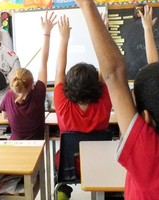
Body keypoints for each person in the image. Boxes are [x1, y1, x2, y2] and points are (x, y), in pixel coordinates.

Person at [68, 0, 159, 199]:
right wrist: (147, 30)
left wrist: (86, 1)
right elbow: (149, 77)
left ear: (145, 118)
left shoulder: (148, 156)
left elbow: (115, 73)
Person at [53, 13, 112, 199]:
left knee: (59, 153)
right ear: (97, 84)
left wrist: (64, 38)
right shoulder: (104, 99)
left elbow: (58, 70)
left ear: (68, 85)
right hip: (100, 164)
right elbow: (106, 66)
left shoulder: (63, 103)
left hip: (69, 167)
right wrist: (102, 31)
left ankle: (62, 185)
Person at [0, 11, 57, 140]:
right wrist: (46, 33)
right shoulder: (38, 95)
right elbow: (44, 62)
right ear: (32, 85)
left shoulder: (8, 95)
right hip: (37, 146)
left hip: (15, 146)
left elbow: (4, 116)